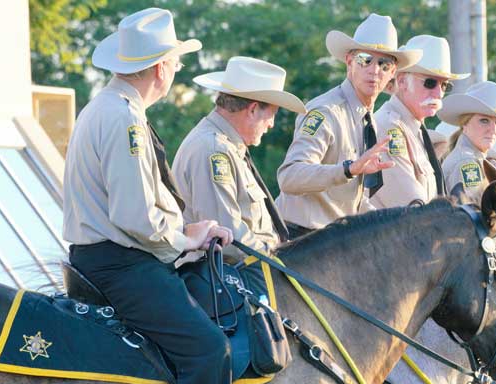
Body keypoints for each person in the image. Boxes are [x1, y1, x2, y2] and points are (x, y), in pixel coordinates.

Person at [62, 9, 234, 384]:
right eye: (176, 63)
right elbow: (134, 217)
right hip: (123, 266)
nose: (176, 71)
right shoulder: (126, 120)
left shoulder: (104, 108)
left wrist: (186, 230)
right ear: (160, 68)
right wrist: (186, 241)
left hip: (108, 257)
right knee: (210, 351)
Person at [275, 14, 420, 238]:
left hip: (332, 243)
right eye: (365, 60)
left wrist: (391, 225)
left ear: (393, 72)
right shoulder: (326, 112)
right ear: (349, 61)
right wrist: (348, 169)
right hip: (298, 239)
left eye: (384, 64)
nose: (374, 70)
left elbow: (350, 200)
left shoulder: (364, 115)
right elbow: (289, 177)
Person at [173, 56, 305, 264]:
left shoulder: (227, 146)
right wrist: (281, 261)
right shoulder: (214, 150)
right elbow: (229, 239)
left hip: (243, 272)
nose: (271, 124)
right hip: (229, 278)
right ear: (252, 109)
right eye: (272, 114)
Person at [369, 35, 467, 209]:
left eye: (444, 86)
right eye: (430, 83)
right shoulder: (389, 127)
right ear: (402, 81)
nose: (438, 93)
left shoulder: (414, 129)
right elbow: (412, 206)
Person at [438, 80, 496, 201]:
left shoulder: (472, 158)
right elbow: (474, 213)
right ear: (465, 123)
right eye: (484, 120)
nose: (493, 129)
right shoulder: (467, 163)